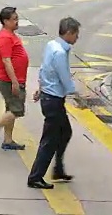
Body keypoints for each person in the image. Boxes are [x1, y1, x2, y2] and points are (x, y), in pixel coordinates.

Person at [27, 17, 81, 189]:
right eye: (76, 34)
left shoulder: (52, 45)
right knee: (49, 140)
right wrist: (78, 93)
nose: (77, 38)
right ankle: (35, 177)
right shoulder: (59, 52)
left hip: (49, 97)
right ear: (69, 33)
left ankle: (58, 168)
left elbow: (43, 69)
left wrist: (41, 88)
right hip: (54, 100)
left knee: (65, 132)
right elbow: (65, 78)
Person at [0, 7, 29, 151]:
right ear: (5, 21)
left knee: (11, 109)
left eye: (17, 18)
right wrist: (15, 81)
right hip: (8, 80)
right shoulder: (4, 37)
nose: (17, 21)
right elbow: (7, 61)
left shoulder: (11, 34)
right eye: (14, 19)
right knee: (16, 110)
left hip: (14, 79)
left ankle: (8, 140)